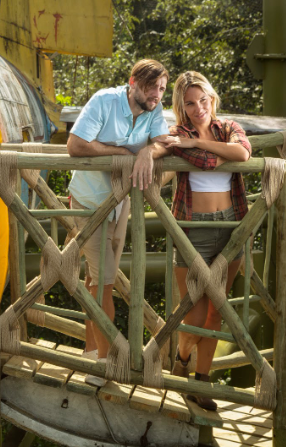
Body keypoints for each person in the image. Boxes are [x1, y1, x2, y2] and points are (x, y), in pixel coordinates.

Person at [67, 59, 176, 387]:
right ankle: (107, 362)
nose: (156, 94)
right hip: (88, 202)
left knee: (95, 279)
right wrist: (121, 154)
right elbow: (75, 145)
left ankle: (90, 353)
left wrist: (146, 153)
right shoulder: (104, 101)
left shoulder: (153, 110)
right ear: (132, 83)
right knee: (105, 283)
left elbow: (163, 142)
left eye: (161, 88)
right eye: (150, 86)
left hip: (119, 204)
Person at [164, 71, 251, 411]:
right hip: (193, 227)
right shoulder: (177, 132)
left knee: (218, 309)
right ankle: (182, 357)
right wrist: (192, 147)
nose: (198, 108)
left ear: (212, 99)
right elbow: (213, 160)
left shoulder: (227, 127)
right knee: (194, 314)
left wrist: (196, 144)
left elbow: (242, 153)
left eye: (203, 100)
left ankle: (201, 381)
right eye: (190, 103)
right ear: (181, 108)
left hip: (231, 225)